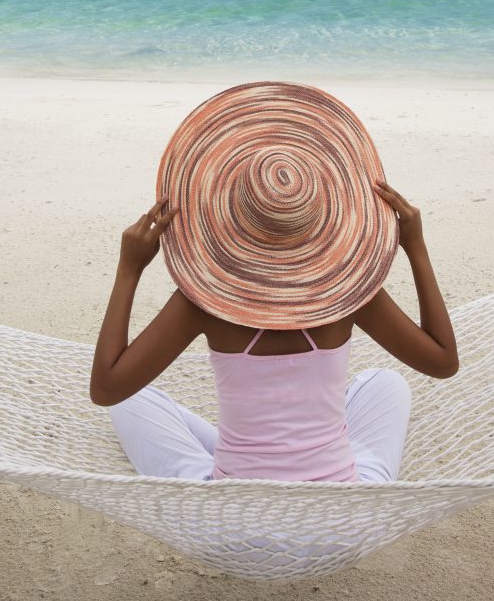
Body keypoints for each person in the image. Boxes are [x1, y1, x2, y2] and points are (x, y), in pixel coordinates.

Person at [89, 82, 459, 487]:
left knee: (133, 403)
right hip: (342, 509)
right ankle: (298, 458)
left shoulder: (203, 303)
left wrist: (129, 270)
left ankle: (247, 457)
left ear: (224, 212)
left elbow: (107, 388)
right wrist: (416, 249)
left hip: (235, 513)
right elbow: (443, 361)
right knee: (386, 383)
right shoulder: (349, 298)